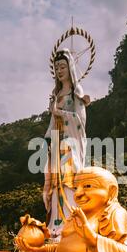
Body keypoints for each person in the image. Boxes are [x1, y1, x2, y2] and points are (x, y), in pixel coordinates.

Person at [23, 166, 127, 252]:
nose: (78, 194)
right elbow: (64, 249)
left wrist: (91, 236)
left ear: (111, 191)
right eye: (76, 188)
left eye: (87, 186)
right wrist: (38, 250)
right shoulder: (75, 216)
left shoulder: (115, 213)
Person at [43, 48, 90, 239]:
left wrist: (60, 113)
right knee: (54, 184)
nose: (59, 71)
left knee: (69, 182)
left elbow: (81, 121)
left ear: (70, 67)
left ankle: (70, 223)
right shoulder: (56, 95)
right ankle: (55, 226)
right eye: (56, 68)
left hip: (71, 144)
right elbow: (52, 127)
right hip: (57, 144)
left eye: (62, 66)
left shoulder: (76, 93)